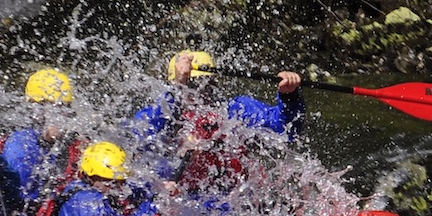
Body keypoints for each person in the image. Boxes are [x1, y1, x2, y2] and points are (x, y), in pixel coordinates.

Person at [130, 50, 306, 146]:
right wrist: (178, 88)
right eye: (191, 85)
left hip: (229, 201)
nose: (200, 92)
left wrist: (289, 97)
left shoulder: (236, 112)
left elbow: (284, 130)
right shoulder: (161, 116)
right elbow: (138, 137)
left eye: (206, 84)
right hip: (181, 198)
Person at [0, 67, 82, 207]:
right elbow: (18, 196)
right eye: (55, 107)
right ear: (36, 110)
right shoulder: (20, 144)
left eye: (65, 107)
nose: (62, 114)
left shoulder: (74, 143)